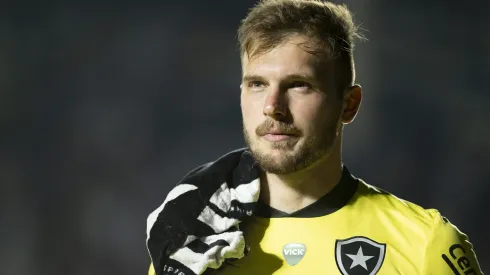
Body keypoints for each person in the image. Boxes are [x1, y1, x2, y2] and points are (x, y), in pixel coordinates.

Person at [147, 0, 483, 274]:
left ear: (348, 105)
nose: (272, 107)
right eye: (257, 84)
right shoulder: (188, 241)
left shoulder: (425, 246)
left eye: (298, 85)